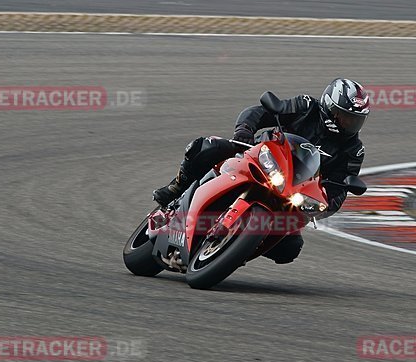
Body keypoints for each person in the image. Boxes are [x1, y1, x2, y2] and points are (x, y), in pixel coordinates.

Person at [152, 78, 370, 263]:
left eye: (356, 121)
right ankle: (176, 187)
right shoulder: (306, 106)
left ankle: (233, 252)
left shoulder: (354, 149)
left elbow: (341, 188)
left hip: (292, 191)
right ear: (329, 108)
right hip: (259, 157)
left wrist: (320, 205)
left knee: (290, 248)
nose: (351, 125)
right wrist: (244, 130)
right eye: (346, 117)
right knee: (207, 146)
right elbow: (262, 111)